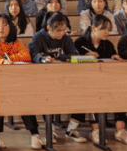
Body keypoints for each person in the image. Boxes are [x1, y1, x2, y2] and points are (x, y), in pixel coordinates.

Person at [73, 15, 127, 145]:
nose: (107, 32)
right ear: (93, 28)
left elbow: (111, 60)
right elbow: (72, 60)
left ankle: (120, 130)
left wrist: (114, 57)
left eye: (109, 29)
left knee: (121, 91)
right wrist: (85, 57)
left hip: (107, 80)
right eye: (103, 29)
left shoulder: (108, 44)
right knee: (96, 93)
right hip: (86, 82)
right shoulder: (80, 43)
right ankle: (95, 130)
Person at [27, 12, 87, 142]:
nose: (61, 33)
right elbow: (33, 54)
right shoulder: (38, 37)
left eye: (64, 30)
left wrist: (58, 58)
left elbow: (73, 55)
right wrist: (42, 58)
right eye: (58, 30)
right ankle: (50, 129)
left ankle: (71, 129)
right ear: (49, 28)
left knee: (84, 92)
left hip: (64, 77)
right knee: (47, 96)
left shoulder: (66, 38)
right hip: (43, 78)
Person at [0, 14, 35, 149]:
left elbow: (26, 55)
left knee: (24, 95)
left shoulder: (15, 42)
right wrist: (1, 60)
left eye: (4, 24)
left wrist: (10, 57)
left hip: (12, 80)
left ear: (10, 27)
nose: (1, 28)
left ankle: (35, 134)